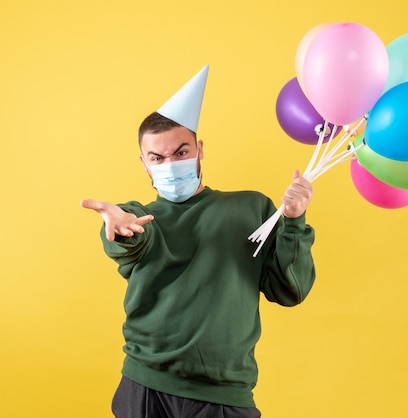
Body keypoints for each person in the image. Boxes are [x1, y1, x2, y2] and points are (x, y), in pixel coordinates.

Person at [80, 65, 316, 418]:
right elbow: (127, 240)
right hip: (144, 389)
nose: (170, 165)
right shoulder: (141, 217)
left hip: (223, 396)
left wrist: (294, 222)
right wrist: (120, 227)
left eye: (181, 152)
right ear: (143, 163)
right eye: (157, 158)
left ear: (200, 149)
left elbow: (290, 290)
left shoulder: (252, 208)